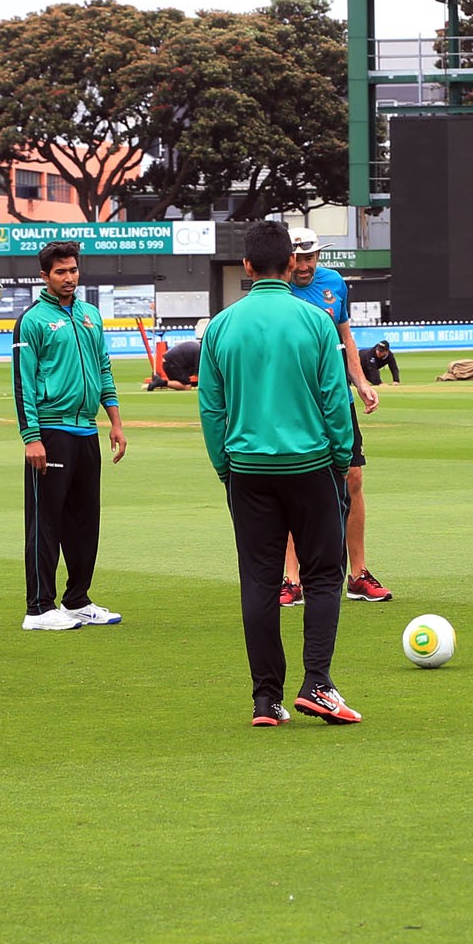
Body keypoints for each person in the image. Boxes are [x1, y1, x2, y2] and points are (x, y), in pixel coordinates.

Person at [198, 221, 360, 726]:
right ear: (292, 264)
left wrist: (226, 466)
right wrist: (341, 458)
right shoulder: (314, 320)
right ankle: (318, 684)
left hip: (247, 471)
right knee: (324, 575)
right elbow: (336, 398)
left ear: (246, 268)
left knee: (260, 581)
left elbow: (210, 408)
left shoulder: (222, 325)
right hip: (311, 466)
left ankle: (266, 699)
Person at [13, 240, 127, 631]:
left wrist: (115, 421)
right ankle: (39, 608)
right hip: (50, 430)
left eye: (73, 270)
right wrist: (31, 437)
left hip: (86, 431)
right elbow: (24, 383)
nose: (69, 278)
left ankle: (77, 599)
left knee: (84, 520)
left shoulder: (90, 314)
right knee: (46, 521)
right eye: (60, 271)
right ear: (44, 276)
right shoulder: (33, 320)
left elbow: (104, 369)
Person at [280, 229, 386, 606]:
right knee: (294, 485)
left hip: (337, 397)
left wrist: (360, 381)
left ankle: (357, 574)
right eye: (299, 258)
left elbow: (346, 336)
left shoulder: (334, 284)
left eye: (311, 258)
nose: (305, 266)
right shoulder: (277, 287)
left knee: (353, 478)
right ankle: (292, 579)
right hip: (295, 400)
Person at [147, 324, 204, 391]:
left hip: (171, 362)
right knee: (186, 386)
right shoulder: (200, 351)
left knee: (186, 381)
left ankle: (160, 381)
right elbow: (199, 374)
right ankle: (160, 382)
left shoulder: (198, 347)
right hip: (172, 363)